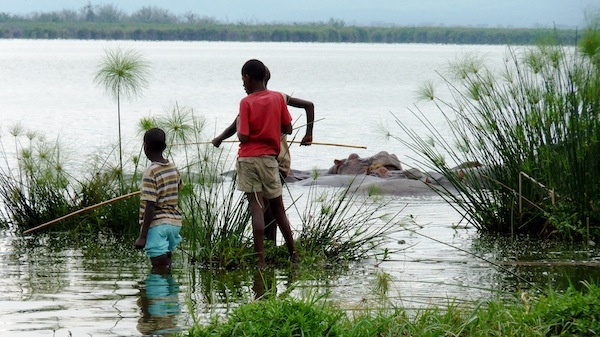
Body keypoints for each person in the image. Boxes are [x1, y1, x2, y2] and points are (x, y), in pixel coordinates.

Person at [212, 66, 315, 242]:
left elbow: (240, 129)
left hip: (274, 161)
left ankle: (268, 246)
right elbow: (302, 112)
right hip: (274, 160)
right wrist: (221, 138)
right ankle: (272, 246)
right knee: (271, 207)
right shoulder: (275, 98)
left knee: (266, 209)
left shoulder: (264, 99)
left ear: (251, 78)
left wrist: (309, 134)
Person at [234, 59, 299, 268]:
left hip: (247, 159)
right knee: (279, 210)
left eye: (243, 79)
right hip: (270, 161)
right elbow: (288, 128)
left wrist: (243, 128)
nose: (243, 84)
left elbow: (243, 136)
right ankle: (294, 254)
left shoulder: (246, 102)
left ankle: (260, 260)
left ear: (248, 77)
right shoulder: (278, 98)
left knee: (256, 208)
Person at [135, 127, 183, 272]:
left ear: (146, 146)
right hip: (174, 223)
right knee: (166, 260)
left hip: (158, 225)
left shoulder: (151, 172)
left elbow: (150, 205)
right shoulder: (173, 167)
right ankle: (168, 291)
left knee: (158, 264)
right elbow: (179, 186)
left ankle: (157, 293)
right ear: (165, 146)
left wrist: (142, 236)